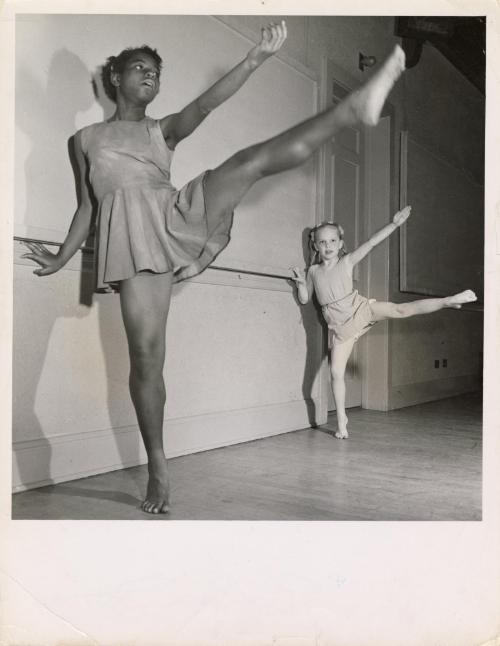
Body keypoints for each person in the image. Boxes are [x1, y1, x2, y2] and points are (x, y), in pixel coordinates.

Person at [22, 21, 406, 513]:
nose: (150, 76)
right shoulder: (85, 139)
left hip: (174, 215)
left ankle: (349, 110)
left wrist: (256, 57)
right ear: (114, 77)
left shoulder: (160, 131)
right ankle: (158, 465)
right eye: (140, 68)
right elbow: (88, 207)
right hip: (133, 244)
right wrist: (61, 256)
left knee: (248, 162)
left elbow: (204, 105)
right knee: (146, 360)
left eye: (156, 72)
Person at [291, 206, 477, 439]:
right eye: (322, 242)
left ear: (340, 243)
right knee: (336, 373)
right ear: (315, 245)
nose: (327, 246)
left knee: (399, 310)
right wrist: (300, 284)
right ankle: (341, 420)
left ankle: (448, 301)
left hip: (360, 309)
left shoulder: (346, 262)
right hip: (340, 328)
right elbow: (305, 298)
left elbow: (371, 243)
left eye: (332, 241)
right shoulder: (313, 271)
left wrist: (395, 224)